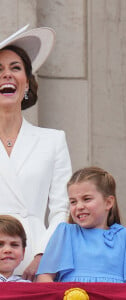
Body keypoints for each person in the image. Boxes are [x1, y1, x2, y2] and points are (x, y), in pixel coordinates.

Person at [0, 24, 72, 280]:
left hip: (36, 260)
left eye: (15, 68)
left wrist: (44, 256)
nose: (7, 75)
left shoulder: (52, 140)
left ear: (27, 83)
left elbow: (62, 208)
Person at [36, 166, 126, 283]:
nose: (79, 206)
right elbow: (44, 277)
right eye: (73, 201)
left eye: (86, 199)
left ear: (108, 202)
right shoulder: (65, 233)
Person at [0, 215, 30, 282]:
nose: (8, 250)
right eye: (0, 244)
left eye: (14, 245)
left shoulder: (28, 286)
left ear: (23, 252)